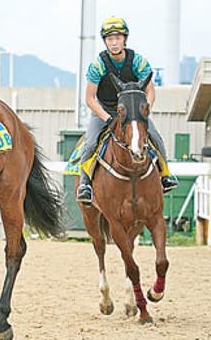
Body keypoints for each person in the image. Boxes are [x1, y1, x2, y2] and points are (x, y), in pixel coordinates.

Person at [76, 16, 179, 204]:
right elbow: (89, 99)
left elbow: (150, 91)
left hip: (133, 112)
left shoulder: (138, 62)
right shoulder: (97, 66)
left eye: (117, 38)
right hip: (105, 111)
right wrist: (107, 119)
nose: (114, 43)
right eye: (109, 39)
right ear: (105, 41)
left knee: (155, 137)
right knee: (90, 143)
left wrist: (143, 112)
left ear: (125, 39)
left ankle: (165, 175)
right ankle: (85, 184)